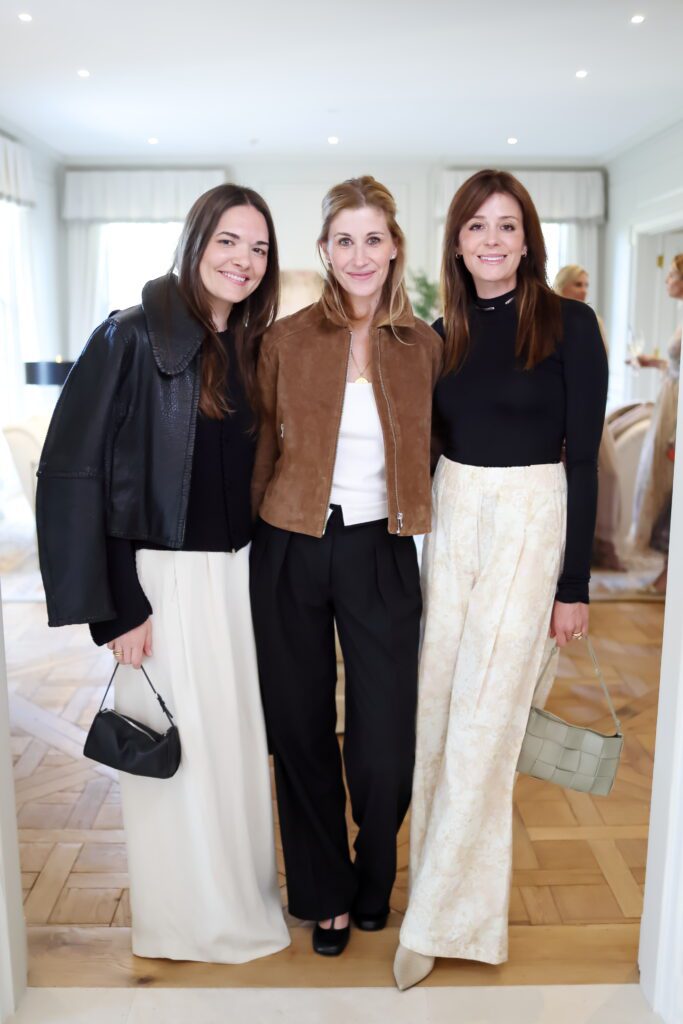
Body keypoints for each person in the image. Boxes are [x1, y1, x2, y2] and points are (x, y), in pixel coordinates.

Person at [36, 184, 291, 963]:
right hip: (162, 581)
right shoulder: (130, 335)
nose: (243, 260)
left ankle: (240, 901)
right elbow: (76, 472)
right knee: (175, 754)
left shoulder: (248, 347)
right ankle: (187, 922)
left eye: (257, 248)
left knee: (232, 752)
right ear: (195, 242)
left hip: (232, 578)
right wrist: (115, 606)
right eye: (227, 242)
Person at [394, 169, 608, 990]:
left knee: (486, 725)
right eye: (476, 226)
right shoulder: (435, 331)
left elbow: (583, 458)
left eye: (506, 225)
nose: (491, 239)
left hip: (530, 518)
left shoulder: (569, 323)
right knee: (441, 715)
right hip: (453, 521)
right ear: (456, 242)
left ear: (527, 239)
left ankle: (437, 923)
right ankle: (440, 899)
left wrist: (574, 584)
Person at [249, 176, 442, 957]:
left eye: (372, 239)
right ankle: (324, 894)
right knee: (298, 729)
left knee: (384, 744)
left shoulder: (426, 345)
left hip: (383, 551)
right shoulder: (286, 339)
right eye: (343, 240)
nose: (358, 255)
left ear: (393, 246)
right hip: (290, 545)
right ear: (324, 251)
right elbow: (259, 450)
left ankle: (374, 872)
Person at [553, 264, 626, 571]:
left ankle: (602, 543)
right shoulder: (553, 318)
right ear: (563, 286)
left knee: (607, 474)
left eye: (586, 284)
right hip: (559, 411)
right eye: (578, 284)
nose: (584, 290)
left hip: (589, 409)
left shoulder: (594, 320)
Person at [629, 253, 683, 594]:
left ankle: (669, 572)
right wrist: (654, 364)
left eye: (672, 275)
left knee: (669, 487)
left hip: (676, 408)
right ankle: (666, 571)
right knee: (662, 483)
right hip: (669, 399)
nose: (666, 281)